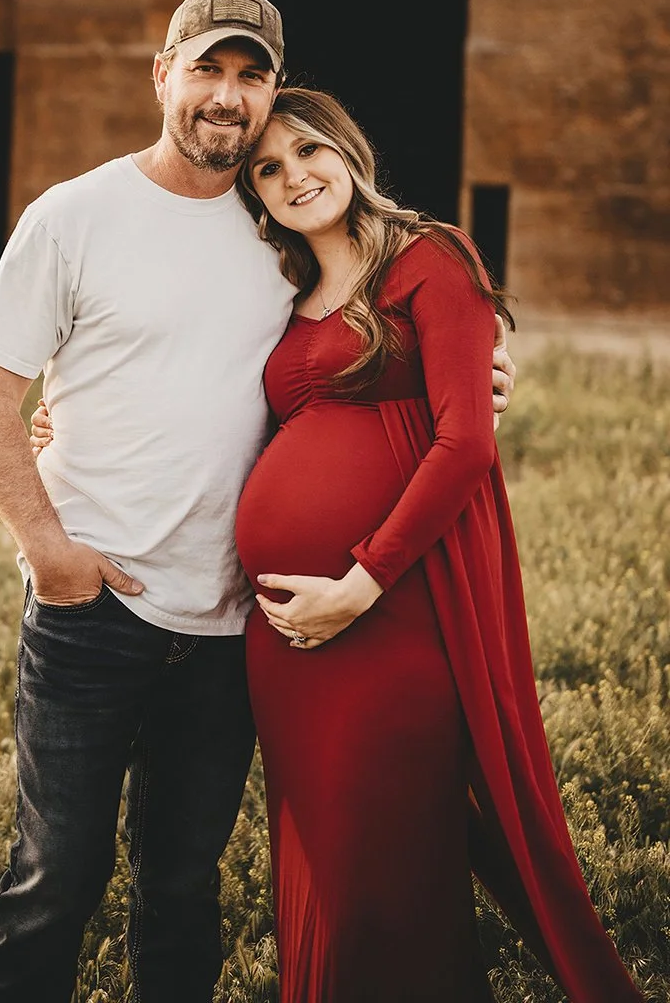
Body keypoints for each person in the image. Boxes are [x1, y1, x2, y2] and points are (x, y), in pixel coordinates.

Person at [0, 0, 515, 1003]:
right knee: (55, 882)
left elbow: (361, 351)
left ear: (274, 93)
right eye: (206, 69)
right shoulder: (75, 216)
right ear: (161, 76)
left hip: (229, 625)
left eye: (251, 75)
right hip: (95, 611)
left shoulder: (282, 232)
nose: (227, 94)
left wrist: (480, 377)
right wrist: (50, 552)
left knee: (181, 886)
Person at [228, 88, 643, 1002]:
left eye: (308, 151)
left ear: (348, 151)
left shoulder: (429, 257)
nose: (295, 176)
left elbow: (464, 444)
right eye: (268, 168)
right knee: (329, 857)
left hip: (397, 605)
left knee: (389, 855)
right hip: (288, 639)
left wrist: (359, 583)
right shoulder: (282, 295)